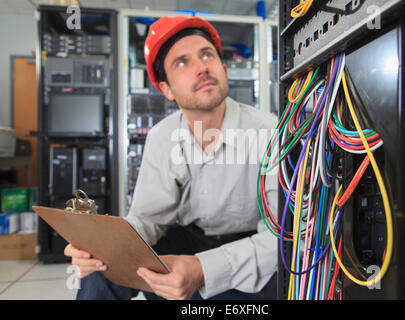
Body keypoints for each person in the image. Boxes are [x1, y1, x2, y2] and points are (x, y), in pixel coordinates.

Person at [64, 15, 279, 300]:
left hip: (250, 246)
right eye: (182, 62)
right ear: (166, 89)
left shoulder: (269, 132)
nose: (201, 67)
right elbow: (149, 219)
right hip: (188, 238)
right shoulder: (162, 136)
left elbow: (285, 237)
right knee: (102, 269)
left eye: (207, 55)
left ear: (224, 69)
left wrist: (203, 269)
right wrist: (102, 245)